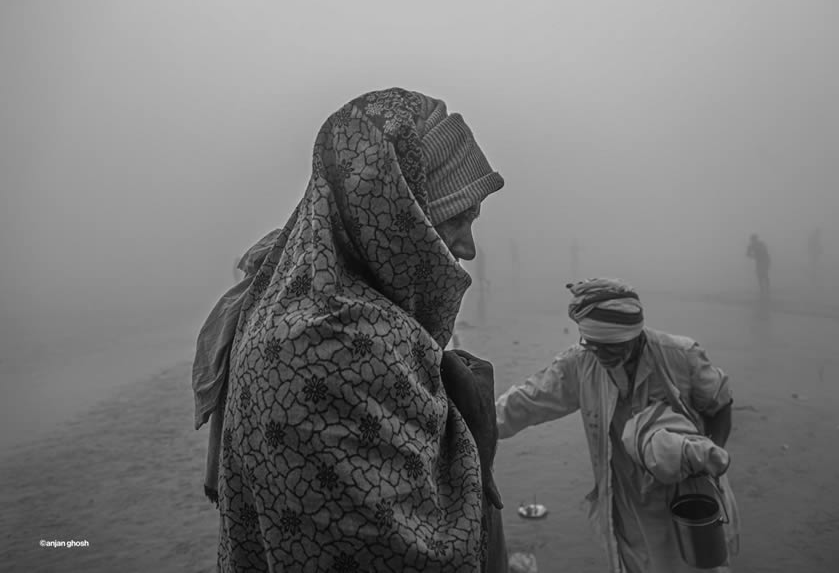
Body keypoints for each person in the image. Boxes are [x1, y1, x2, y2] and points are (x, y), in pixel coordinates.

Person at [194, 88, 508, 572]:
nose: (466, 249)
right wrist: (466, 408)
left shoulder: (292, 305)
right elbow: (417, 555)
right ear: (401, 216)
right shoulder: (334, 342)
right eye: (458, 219)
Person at [495, 278, 739, 573]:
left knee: (694, 562)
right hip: (626, 497)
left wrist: (706, 459)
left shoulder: (679, 355)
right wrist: (475, 424)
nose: (602, 355)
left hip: (685, 491)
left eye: (611, 347)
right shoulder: (582, 362)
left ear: (635, 337)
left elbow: (720, 403)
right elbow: (528, 401)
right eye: (593, 346)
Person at [746, 234, 771, 299]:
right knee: (759, 274)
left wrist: (754, 255)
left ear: (756, 239)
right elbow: (747, 254)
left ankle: (767, 288)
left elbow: (765, 251)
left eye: (754, 239)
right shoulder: (751, 245)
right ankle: (762, 288)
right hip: (759, 261)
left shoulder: (761, 244)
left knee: (764, 273)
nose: (753, 241)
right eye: (753, 240)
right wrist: (754, 256)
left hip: (765, 260)